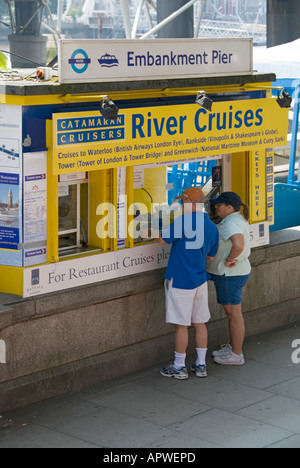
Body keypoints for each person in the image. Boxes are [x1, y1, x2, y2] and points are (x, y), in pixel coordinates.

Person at [155, 187, 219, 380]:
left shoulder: (183, 221)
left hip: (181, 279)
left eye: (183, 202)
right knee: (200, 323)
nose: (182, 205)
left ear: (189, 202)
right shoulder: (212, 226)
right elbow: (210, 257)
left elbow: (161, 240)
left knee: (181, 325)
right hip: (200, 280)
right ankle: (201, 365)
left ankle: (179, 366)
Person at [207, 192, 251, 366]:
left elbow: (238, 244)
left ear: (229, 207)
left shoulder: (231, 223)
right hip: (236, 273)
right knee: (233, 314)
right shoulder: (238, 219)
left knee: (233, 315)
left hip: (229, 275)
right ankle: (233, 348)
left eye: (219, 205)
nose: (216, 207)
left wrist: (229, 259)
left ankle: (236, 354)